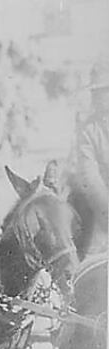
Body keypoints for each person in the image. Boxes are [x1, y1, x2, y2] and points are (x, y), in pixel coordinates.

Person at [73, 62, 109, 230]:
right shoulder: (89, 130)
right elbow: (90, 176)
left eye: (104, 91)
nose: (101, 97)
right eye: (97, 93)